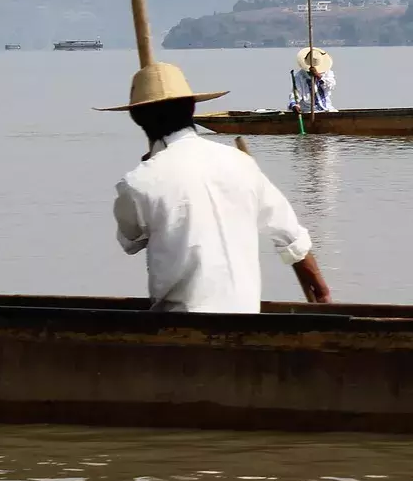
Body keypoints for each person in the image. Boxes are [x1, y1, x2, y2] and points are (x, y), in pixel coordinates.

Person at [101, 62, 332, 312]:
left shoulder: (138, 183)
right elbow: (292, 237)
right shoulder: (241, 163)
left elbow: (131, 240)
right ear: (191, 107)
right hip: (246, 318)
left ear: (137, 118)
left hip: (177, 329)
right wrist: (322, 293)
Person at [287, 47, 336, 113]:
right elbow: (295, 93)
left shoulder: (327, 73)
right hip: (308, 110)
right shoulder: (300, 76)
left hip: (327, 109)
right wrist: (294, 105)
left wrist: (318, 76)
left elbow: (331, 85)